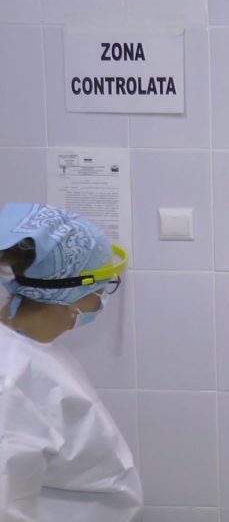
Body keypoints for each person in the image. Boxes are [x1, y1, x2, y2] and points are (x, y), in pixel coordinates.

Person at [0, 203, 141, 521]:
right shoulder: (10, 383)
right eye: (103, 287)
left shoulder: (34, 349)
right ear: (74, 292)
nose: (102, 297)